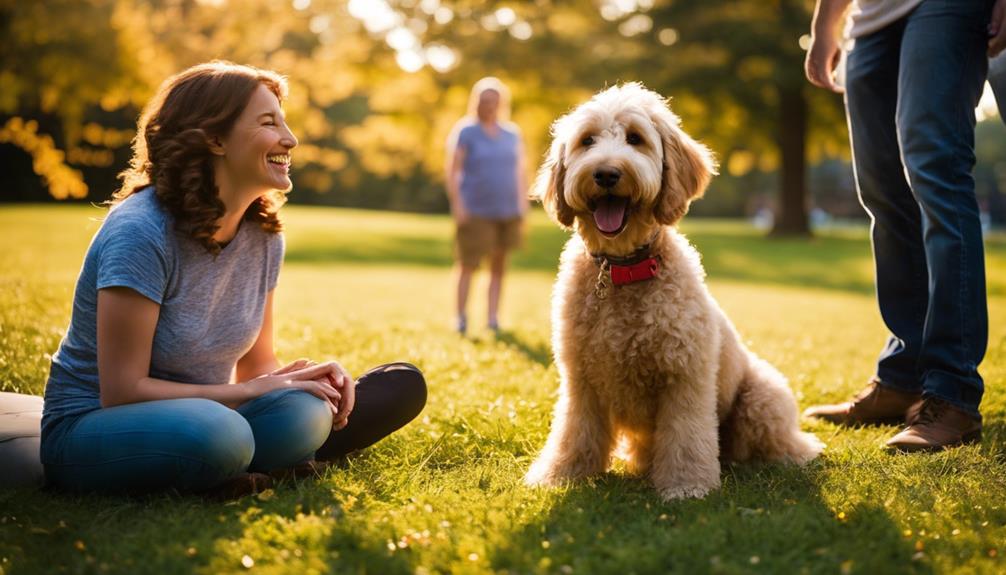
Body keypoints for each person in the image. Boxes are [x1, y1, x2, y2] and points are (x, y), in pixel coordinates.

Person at [39, 61, 427, 497]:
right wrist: (250, 390)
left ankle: (234, 468)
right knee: (221, 434)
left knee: (309, 411)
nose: (291, 138)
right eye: (268, 122)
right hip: (92, 427)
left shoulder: (262, 236)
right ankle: (243, 464)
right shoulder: (141, 231)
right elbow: (122, 391)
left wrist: (295, 379)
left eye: (284, 121)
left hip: (208, 414)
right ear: (216, 139)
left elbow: (257, 364)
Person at [803, 0, 1004, 451]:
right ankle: (902, 377)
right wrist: (825, 24)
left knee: (937, 174)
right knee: (882, 193)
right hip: (871, 18)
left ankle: (952, 394)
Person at [445, 77, 528, 335]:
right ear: (476, 102)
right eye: (484, 100)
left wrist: (522, 205)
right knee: (467, 264)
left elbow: (519, 172)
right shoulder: (466, 131)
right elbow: (453, 170)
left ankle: (493, 319)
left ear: (501, 103)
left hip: (507, 211)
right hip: (475, 210)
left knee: (499, 267)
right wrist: (458, 205)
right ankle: (460, 318)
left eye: (493, 100)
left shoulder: (512, 133)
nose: (488, 105)